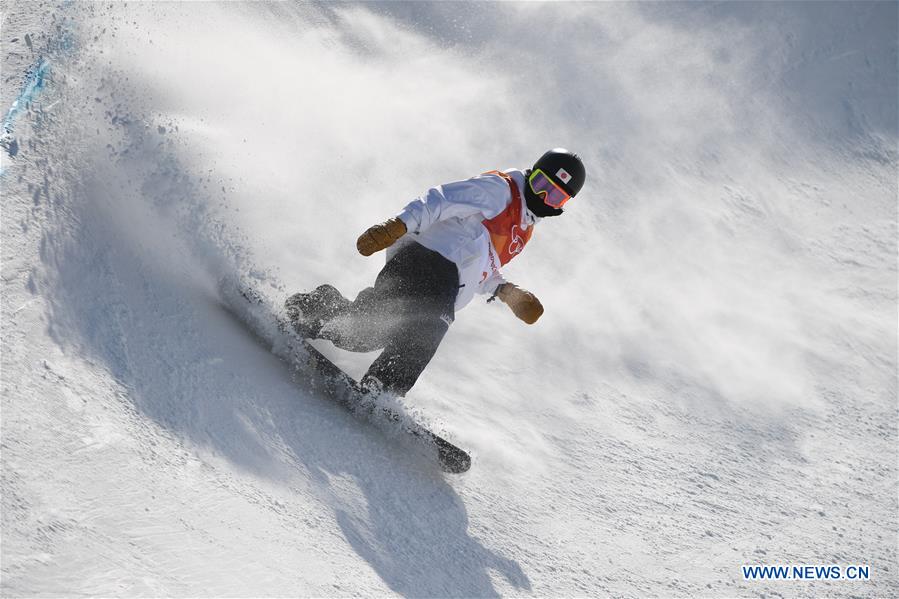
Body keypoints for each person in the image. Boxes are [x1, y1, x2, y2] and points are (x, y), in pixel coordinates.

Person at [286, 148, 586, 397]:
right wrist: (397, 225)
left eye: (555, 197)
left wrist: (505, 291)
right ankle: (383, 389)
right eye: (541, 184)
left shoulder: (522, 230)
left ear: (562, 206)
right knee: (432, 325)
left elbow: (483, 267)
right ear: (531, 173)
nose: (543, 197)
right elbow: (441, 200)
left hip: (447, 282)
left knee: (367, 333)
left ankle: (317, 309)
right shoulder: (501, 190)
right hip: (425, 257)